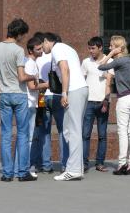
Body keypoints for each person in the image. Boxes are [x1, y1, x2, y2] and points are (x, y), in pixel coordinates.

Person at [0, 19, 37, 182]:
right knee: (22, 134)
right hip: (19, 95)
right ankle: (22, 173)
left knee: (6, 135)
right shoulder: (18, 50)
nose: (24, 38)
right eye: (24, 35)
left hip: (4, 95)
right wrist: (34, 76)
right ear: (20, 34)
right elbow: (22, 77)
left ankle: (7, 173)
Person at [42, 32, 88, 181]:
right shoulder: (69, 48)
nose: (43, 48)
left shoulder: (57, 48)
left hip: (73, 90)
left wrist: (64, 93)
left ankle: (73, 170)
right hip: (80, 89)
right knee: (70, 130)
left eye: (42, 44)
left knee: (72, 130)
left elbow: (65, 69)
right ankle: (76, 168)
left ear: (46, 41)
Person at [98, 35, 130, 175]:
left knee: (122, 131)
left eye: (111, 46)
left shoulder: (119, 61)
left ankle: (122, 164)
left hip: (124, 99)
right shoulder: (129, 60)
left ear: (117, 48)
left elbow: (101, 66)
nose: (109, 48)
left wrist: (110, 54)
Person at [32, 31, 68, 174]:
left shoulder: (37, 57)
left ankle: (46, 165)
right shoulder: (57, 54)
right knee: (62, 130)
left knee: (42, 131)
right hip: (58, 96)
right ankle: (64, 163)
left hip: (41, 97)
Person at [13, 36, 49, 178]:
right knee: (27, 139)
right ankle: (23, 169)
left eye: (41, 48)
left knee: (24, 138)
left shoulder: (29, 62)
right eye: (38, 49)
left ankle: (19, 169)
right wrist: (46, 85)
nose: (41, 51)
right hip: (29, 104)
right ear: (30, 50)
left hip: (29, 103)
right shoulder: (30, 64)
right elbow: (32, 86)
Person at [81, 36, 114, 172]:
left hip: (103, 102)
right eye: (89, 48)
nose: (90, 51)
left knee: (102, 135)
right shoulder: (85, 62)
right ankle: (83, 163)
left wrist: (106, 100)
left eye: (93, 48)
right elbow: (81, 81)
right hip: (88, 102)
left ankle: (100, 163)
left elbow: (110, 82)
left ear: (100, 47)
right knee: (85, 134)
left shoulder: (110, 61)